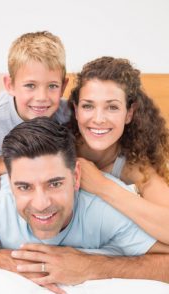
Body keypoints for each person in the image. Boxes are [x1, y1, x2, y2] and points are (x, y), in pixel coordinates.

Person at [0, 117, 169, 294]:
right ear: (10, 183)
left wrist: (92, 266)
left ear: (75, 177)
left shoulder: (106, 208)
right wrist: (7, 261)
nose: (41, 204)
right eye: (24, 187)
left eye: (55, 184)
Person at [0, 30, 70, 248]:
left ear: (64, 85)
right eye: (30, 86)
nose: (42, 97)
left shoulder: (67, 114)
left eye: (52, 86)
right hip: (9, 182)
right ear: (10, 85)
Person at [67, 56, 169, 244]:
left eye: (112, 107)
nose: (98, 119)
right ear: (76, 109)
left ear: (129, 113)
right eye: (88, 106)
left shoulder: (132, 164)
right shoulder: (60, 145)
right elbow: (4, 165)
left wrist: (102, 186)